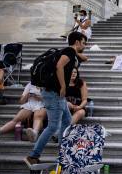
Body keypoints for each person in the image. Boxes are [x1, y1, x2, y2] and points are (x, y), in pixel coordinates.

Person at [24, 32, 87, 167]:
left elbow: (81, 57)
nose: (85, 45)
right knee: (53, 126)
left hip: (56, 95)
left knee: (67, 122)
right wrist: (63, 86)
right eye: (83, 42)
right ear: (77, 42)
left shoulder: (70, 52)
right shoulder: (69, 51)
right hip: (55, 94)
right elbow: (59, 66)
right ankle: (33, 156)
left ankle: (63, 154)